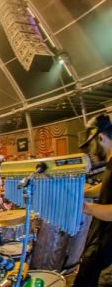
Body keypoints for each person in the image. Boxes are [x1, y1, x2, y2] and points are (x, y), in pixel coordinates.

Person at [74, 114, 112, 286]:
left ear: (101, 138)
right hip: (101, 238)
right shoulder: (110, 164)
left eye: (92, 144)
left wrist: (85, 207)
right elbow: (106, 187)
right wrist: (82, 192)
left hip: (107, 249)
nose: (91, 151)